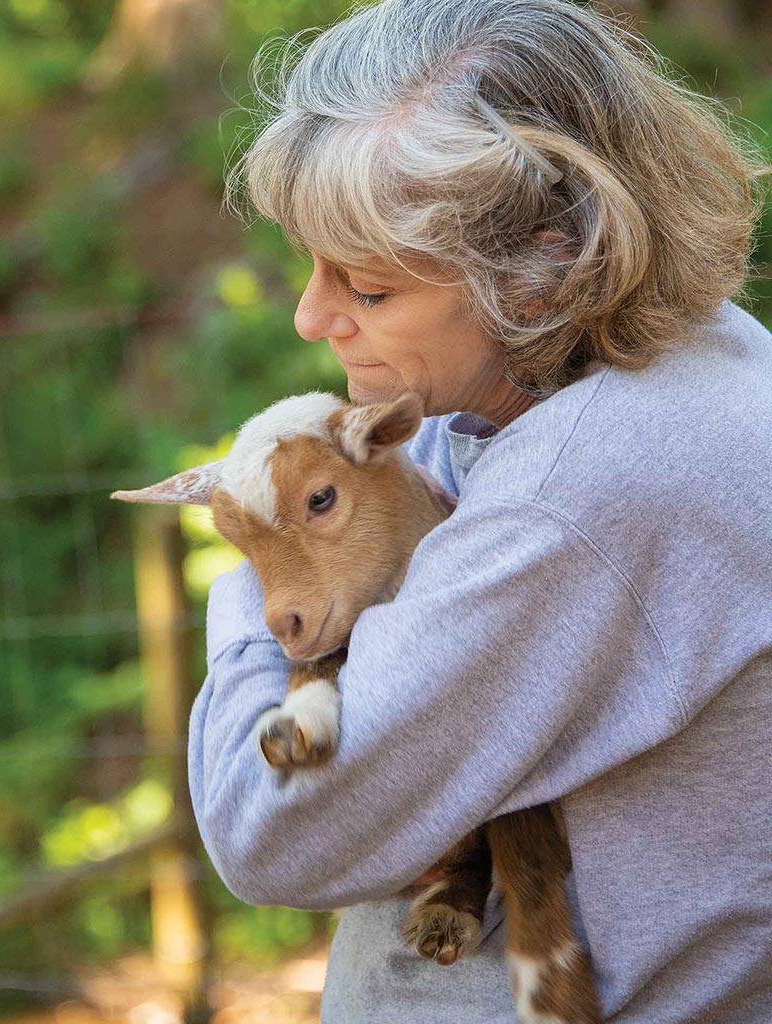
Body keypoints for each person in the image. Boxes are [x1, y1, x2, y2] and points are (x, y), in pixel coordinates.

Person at [187, 1, 772, 1020]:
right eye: (311, 265)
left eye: (365, 288)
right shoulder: (703, 351)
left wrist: (257, 577)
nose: (309, 315)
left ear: (543, 269)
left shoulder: (572, 500)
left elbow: (269, 828)